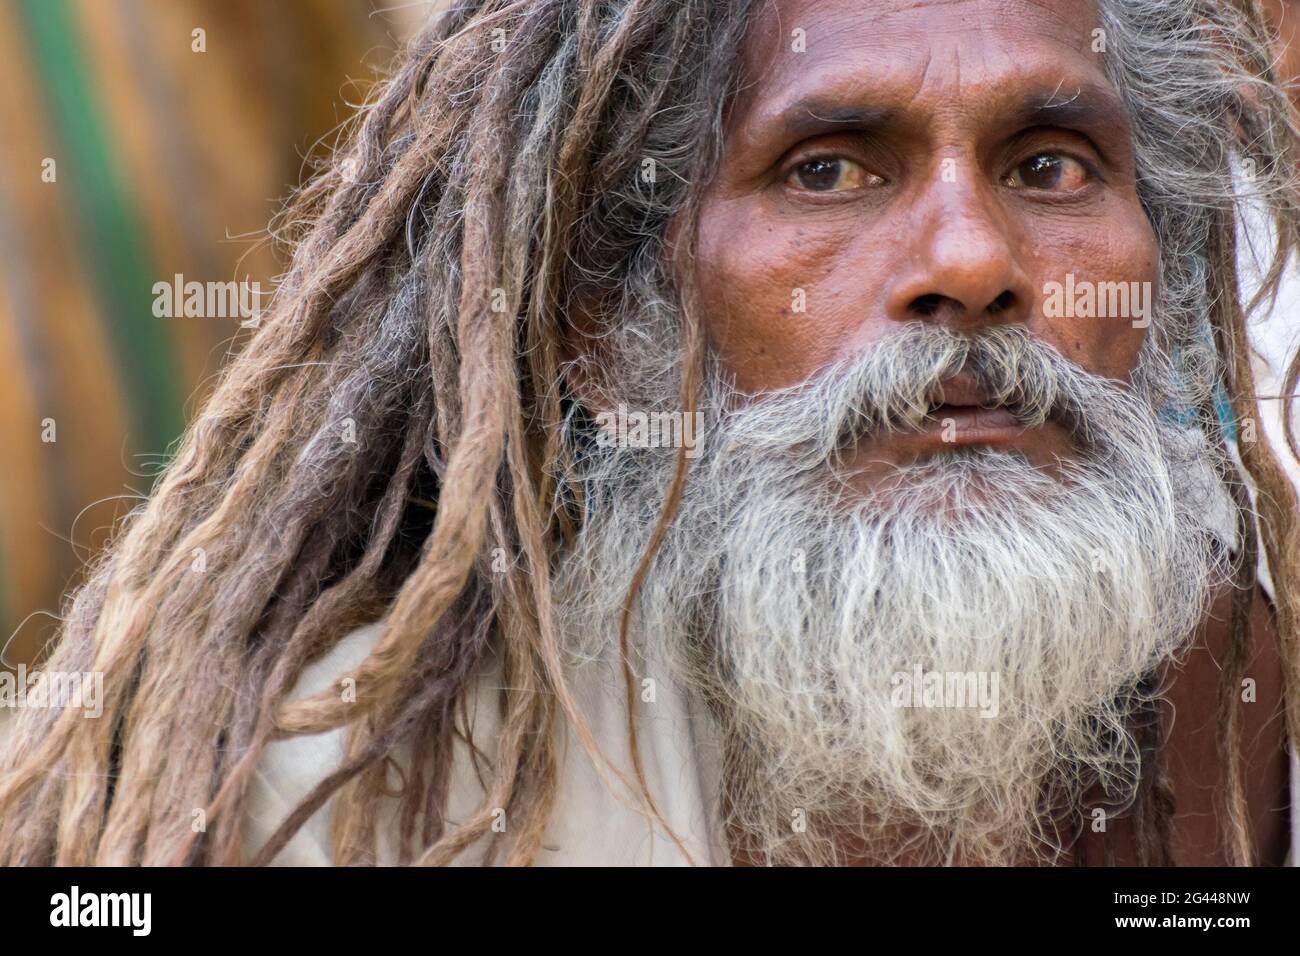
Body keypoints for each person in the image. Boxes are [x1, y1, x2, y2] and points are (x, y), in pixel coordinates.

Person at [2, 0, 1299, 867]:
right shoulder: (334, 808)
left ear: (1163, 271)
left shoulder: (1262, 726)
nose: (971, 261)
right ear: (602, 319)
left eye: (1052, 164)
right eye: (830, 169)